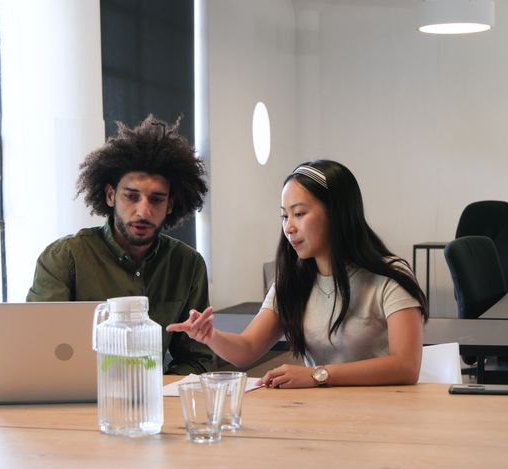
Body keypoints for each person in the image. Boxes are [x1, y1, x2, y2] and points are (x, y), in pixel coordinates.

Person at [167, 159, 428, 388]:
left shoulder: (390, 277)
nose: (288, 228)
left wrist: (318, 375)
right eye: (284, 216)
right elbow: (247, 349)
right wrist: (211, 336)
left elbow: (406, 366)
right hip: (319, 411)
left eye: (299, 214)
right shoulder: (292, 280)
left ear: (337, 213)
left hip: (384, 410)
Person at [27, 115, 215, 375]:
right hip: (78, 395)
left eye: (156, 200)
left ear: (170, 205)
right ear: (110, 195)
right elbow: (38, 350)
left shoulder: (188, 265)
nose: (143, 211)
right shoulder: (65, 258)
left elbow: (198, 359)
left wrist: (157, 390)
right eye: (131, 197)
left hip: (153, 397)